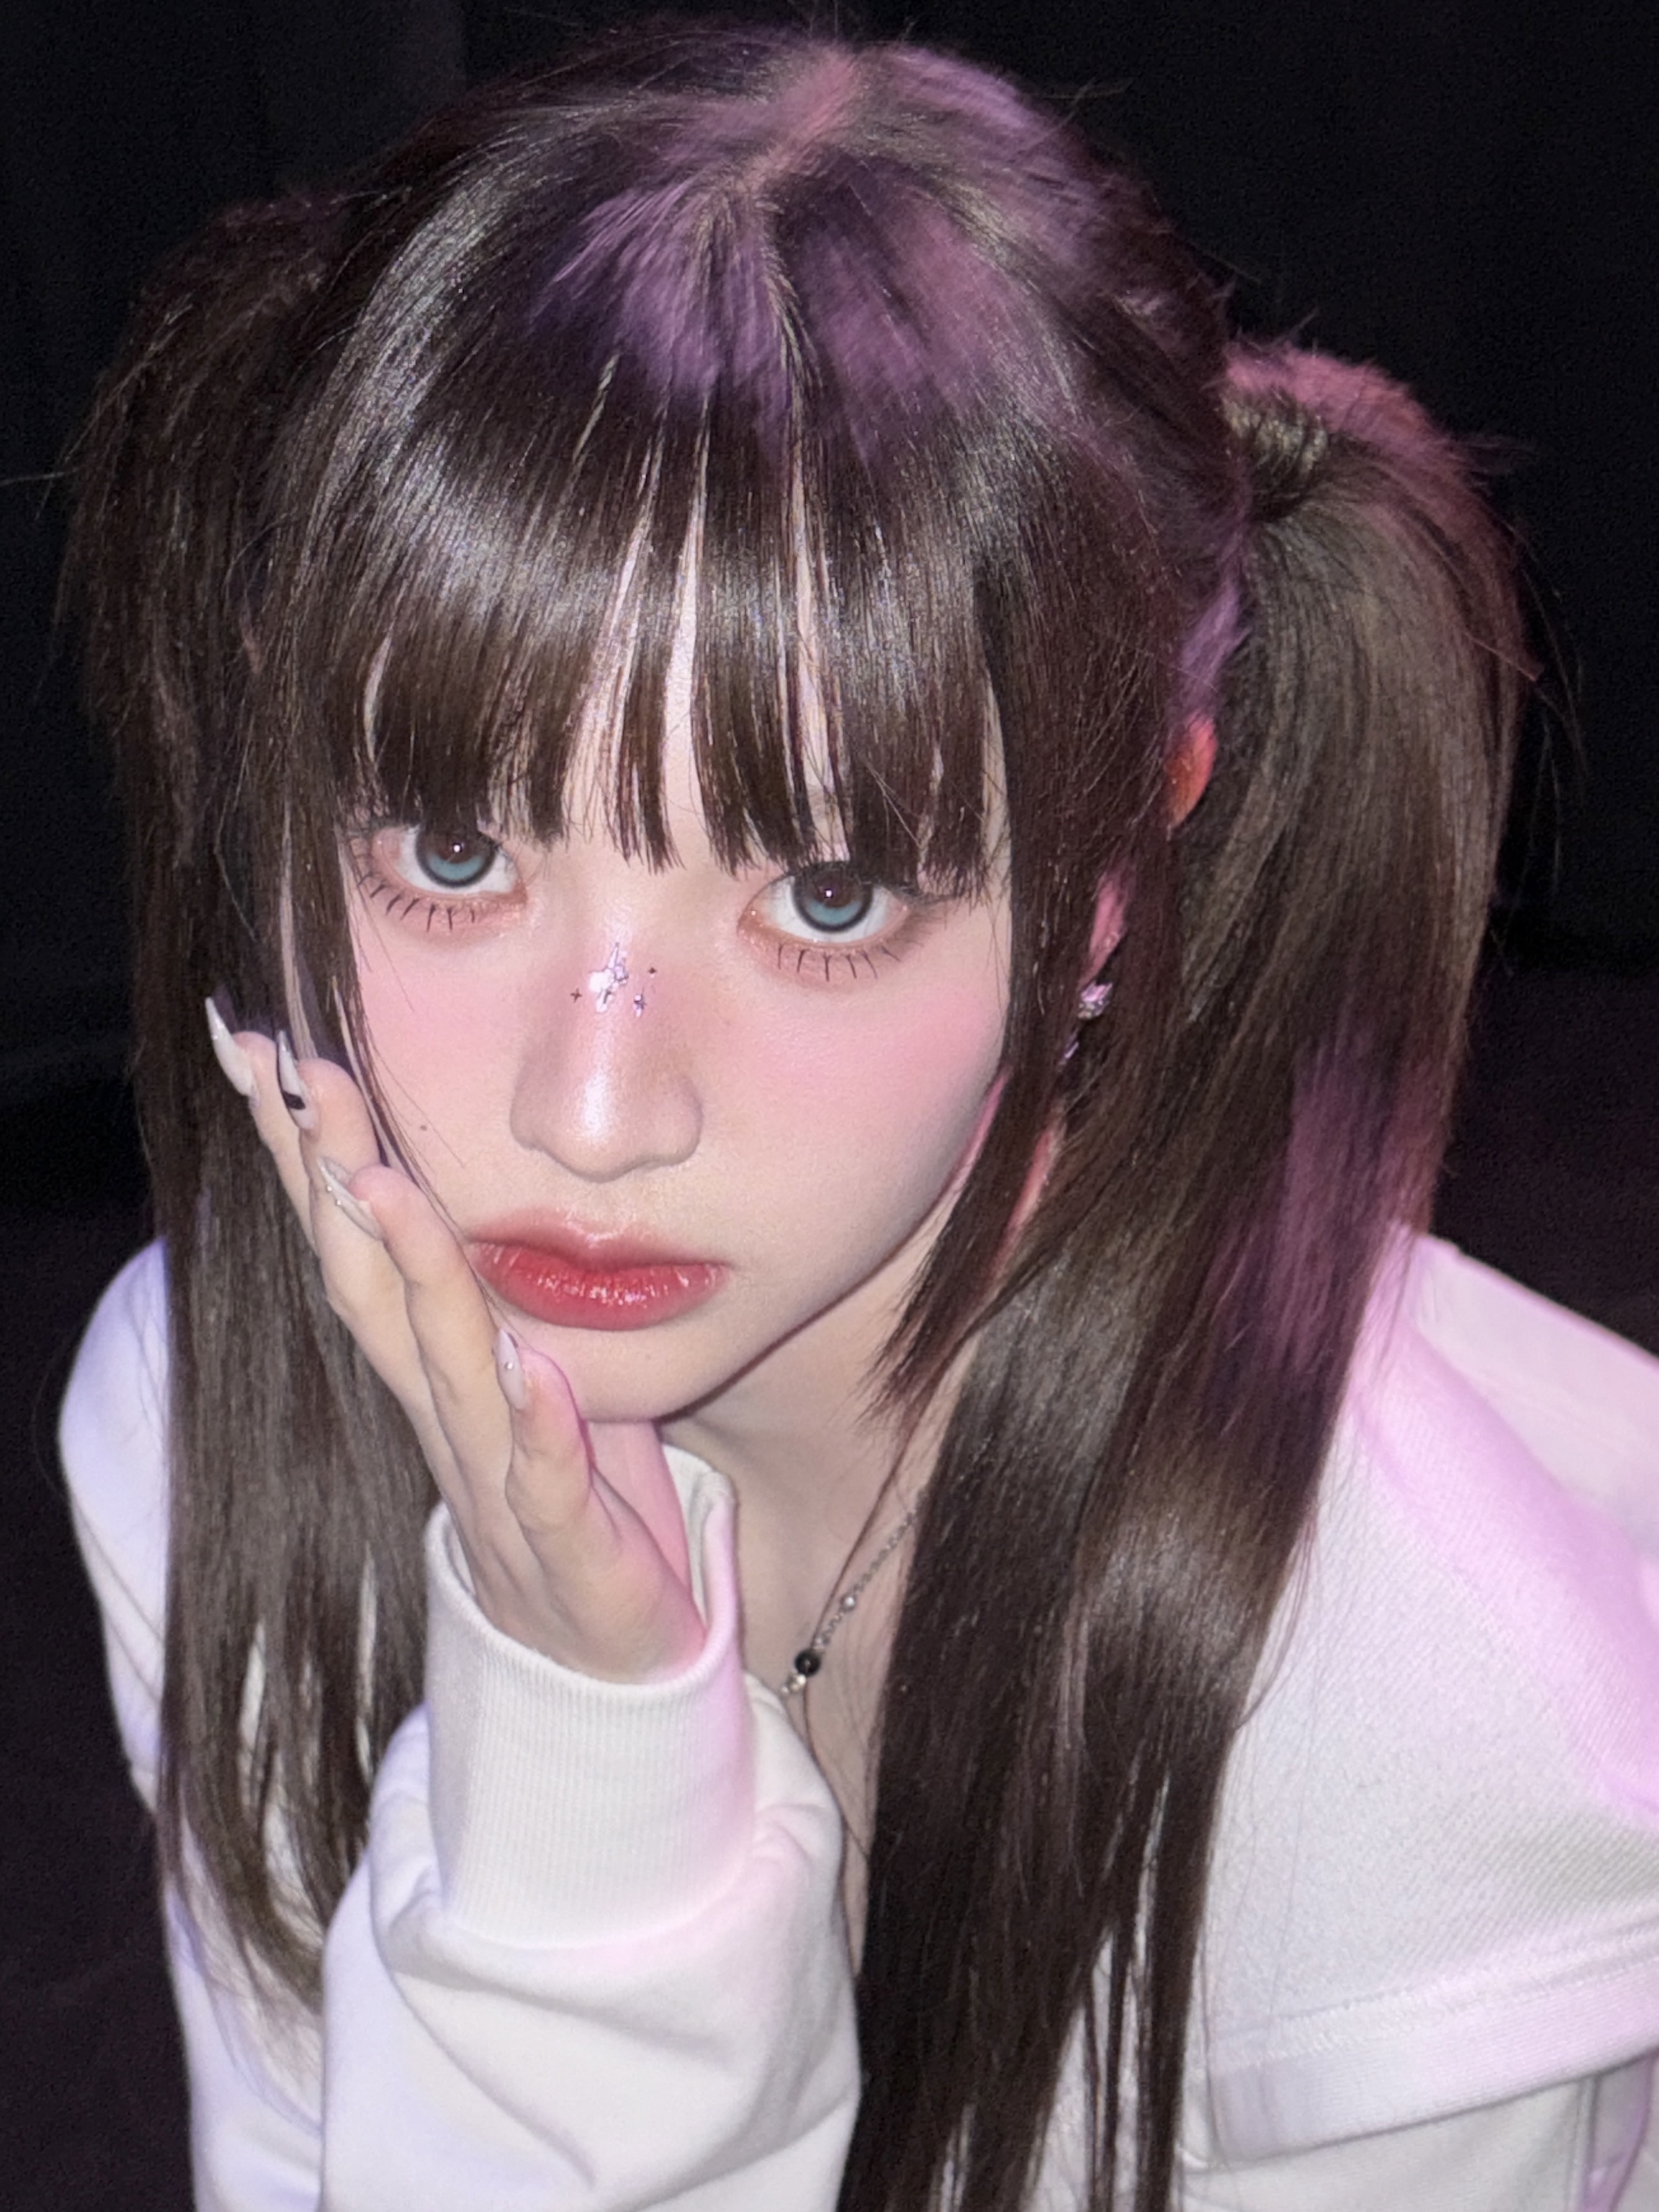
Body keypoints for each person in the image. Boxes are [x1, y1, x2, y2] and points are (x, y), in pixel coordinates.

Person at [56, 20, 1659, 2210]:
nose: (591, 1111)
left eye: (825, 893)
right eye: (452, 851)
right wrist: (575, 1722)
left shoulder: (1400, 1724)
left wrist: (599, 1800)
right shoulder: (202, 1406)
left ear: (1119, 862)